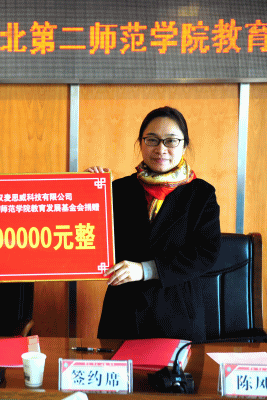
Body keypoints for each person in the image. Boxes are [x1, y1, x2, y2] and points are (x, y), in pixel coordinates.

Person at [86, 106, 221, 341]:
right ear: (140, 143)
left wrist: (145, 269)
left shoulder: (201, 194)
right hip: (123, 315)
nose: (161, 149)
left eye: (171, 141)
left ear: (184, 145)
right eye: (152, 140)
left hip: (176, 315)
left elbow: (205, 254)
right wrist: (88, 193)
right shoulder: (117, 189)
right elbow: (89, 239)